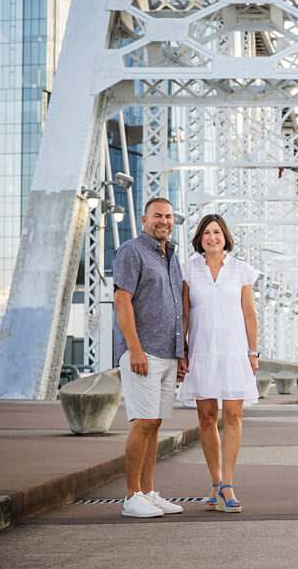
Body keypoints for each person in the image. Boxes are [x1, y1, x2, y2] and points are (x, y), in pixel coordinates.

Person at [177, 214, 260, 513]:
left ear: (225, 236)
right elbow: (184, 315)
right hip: (201, 350)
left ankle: (228, 483)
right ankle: (214, 482)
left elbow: (249, 314)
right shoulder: (187, 270)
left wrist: (253, 352)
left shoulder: (241, 270)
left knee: (234, 416)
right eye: (206, 233)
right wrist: (181, 351)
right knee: (207, 417)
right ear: (199, 238)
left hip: (234, 350)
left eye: (217, 232)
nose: (212, 237)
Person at [112, 197, 186, 518]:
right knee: (143, 422)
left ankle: (149, 492)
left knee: (155, 424)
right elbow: (122, 301)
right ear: (144, 220)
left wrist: (180, 353)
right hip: (143, 353)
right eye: (158, 216)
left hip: (168, 353)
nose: (164, 221)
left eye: (169, 216)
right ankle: (132, 497)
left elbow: (177, 308)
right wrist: (135, 348)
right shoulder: (131, 251)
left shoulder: (172, 256)